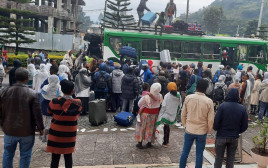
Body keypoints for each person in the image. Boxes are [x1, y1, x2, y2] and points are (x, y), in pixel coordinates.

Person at [0, 68, 44, 168]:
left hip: (9, 129)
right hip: (27, 131)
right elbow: (37, 114)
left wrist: (2, 124)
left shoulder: (5, 91)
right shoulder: (32, 94)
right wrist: (41, 128)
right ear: (27, 78)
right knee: (25, 155)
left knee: (8, 154)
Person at [47, 79, 82, 168]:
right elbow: (77, 114)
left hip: (55, 134)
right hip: (70, 134)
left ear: (61, 90)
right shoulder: (78, 103)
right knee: (68, 156)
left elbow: (50, 112)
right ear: (72, 91)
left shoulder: (53, 102)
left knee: (55, 157)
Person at [180, 79, 214, 168]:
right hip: (202, 131)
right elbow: (210, 119)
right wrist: (208, 130)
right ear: (206, 88)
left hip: (189, 129)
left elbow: (183, 114)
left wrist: (185, 125)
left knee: (185, 152)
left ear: (196, 86)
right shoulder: (209, 101)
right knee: (199, 154)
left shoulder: (188, 98)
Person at [214, 88, 248, 168]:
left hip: (221, 136)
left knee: (218, 158)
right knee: (230, 159)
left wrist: (217, 129)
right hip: (234, 137)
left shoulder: (222, 106)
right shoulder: (242, 108)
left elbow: (216, 122)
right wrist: (237, 131)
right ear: (237, 96)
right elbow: (245, 125)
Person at [136, 83, 163, 149]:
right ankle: (149, 142)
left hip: (145, 114)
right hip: (154, 115)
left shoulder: (146, 96)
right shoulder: (160, 96)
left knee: (142, 127)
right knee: (151, 128)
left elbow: (139, 104)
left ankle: (140, 143)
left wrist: (145, 106)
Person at [156, 82, 181, 148]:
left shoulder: (167, 95)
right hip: (173, 115)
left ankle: (165, 142)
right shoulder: (178, 95)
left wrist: (160, 115)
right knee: (168, 128)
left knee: (165, 128)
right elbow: (180, 106)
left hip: (166, 115)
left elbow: (163, 106)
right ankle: (167, 141)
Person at [40, 75, 63, 142]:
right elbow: (60, 96)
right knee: (55, 122)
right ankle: (54, 138)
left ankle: (45, 137)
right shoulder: (59, 88)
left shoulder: (45, 87)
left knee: (46, 121)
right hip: (55, 106)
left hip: (45, 105)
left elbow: (42, 93)